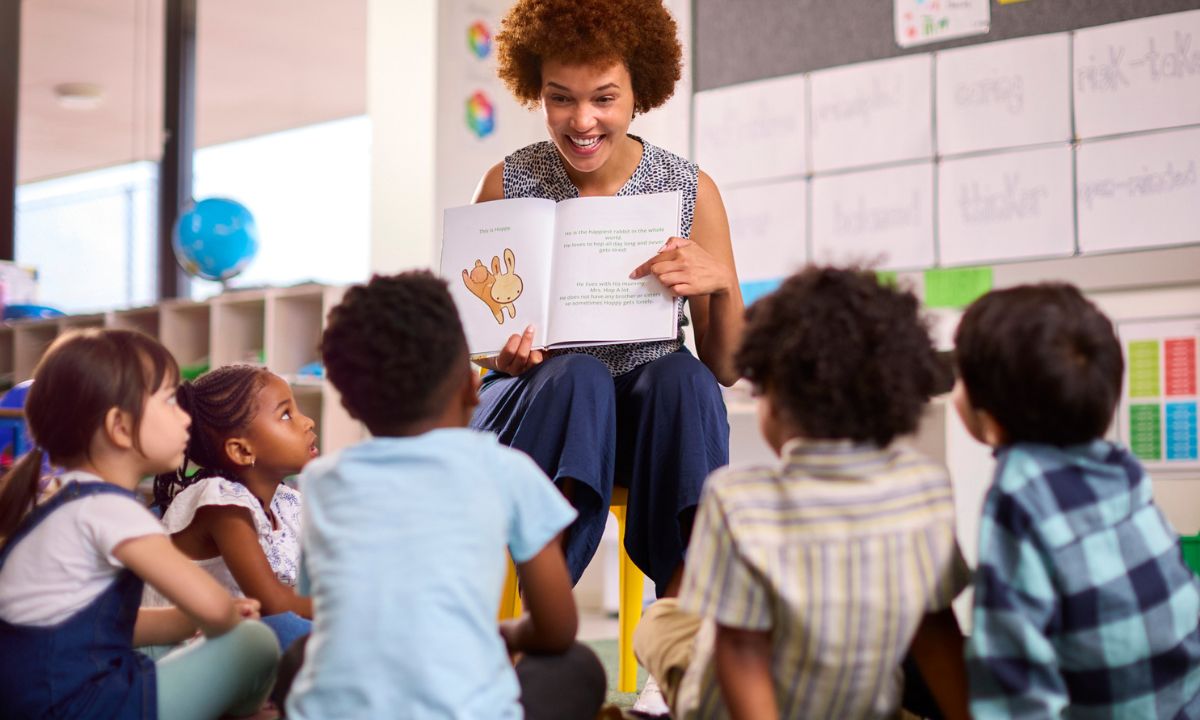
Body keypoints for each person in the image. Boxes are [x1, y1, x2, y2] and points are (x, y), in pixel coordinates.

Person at [470, 0, 743, 598]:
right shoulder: (505, 183)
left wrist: (719, 281)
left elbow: (725, 367)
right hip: (540, 409)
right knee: (578, 378)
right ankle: (546, 619)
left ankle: (680, 625)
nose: (582, 120)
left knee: (685, 378)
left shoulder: (688, 189)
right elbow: (481, 347)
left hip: (646, 421)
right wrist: (501, 357)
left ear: (639, 92)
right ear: (536, 92)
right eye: (560, 97)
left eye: (604, 97)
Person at [633, 267, 971, 719]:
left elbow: (740, 648)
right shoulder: (924, 487)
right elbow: (937, 630)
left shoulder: (737, 501)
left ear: (771, 393)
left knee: (662, 620)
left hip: (738, 704)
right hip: (866, 705)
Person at [282, 272, 606, 719]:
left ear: (350, 405)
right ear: (471, 386)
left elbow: (324, 611)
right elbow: (556, 629)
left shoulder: (320, 481)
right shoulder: (507, 472)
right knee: (577, 667)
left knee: (302, 655)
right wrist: (503, 635)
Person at [0, 328, 279, 720]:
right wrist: (226, 618)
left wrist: (186, 621)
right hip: (88, 707)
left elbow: (105, 629)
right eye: (168, 401)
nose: (184, 417)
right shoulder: (111, 510)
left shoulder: (65, 500)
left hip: (52, 701)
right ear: (120, 427)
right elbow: (216, 610)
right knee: (255, 642)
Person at [952, 283, 1200, 718]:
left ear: (991, 423)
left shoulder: (1019, 491)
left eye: (961, 378)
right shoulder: (1121, 469)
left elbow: (1012, 677)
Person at [146, 364, 317, 653]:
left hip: (237, 641)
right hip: (179, 654)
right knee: (288, 630)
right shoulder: (219, 502)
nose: (308, 422)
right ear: (242, 450)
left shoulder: (286, 502)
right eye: (286, 415)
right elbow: (273, 603)